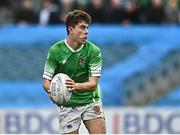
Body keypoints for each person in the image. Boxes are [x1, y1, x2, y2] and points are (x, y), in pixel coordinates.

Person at [42, 10, 106, 134]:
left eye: (87, 28)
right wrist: (52, 91)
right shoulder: (55, 51)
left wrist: (73, 86)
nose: (86, 31)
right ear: (71, 30)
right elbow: (46, 80)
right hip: (67, 104)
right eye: (82, 27)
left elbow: (93, 84)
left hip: (90, 101)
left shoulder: (94, 51)